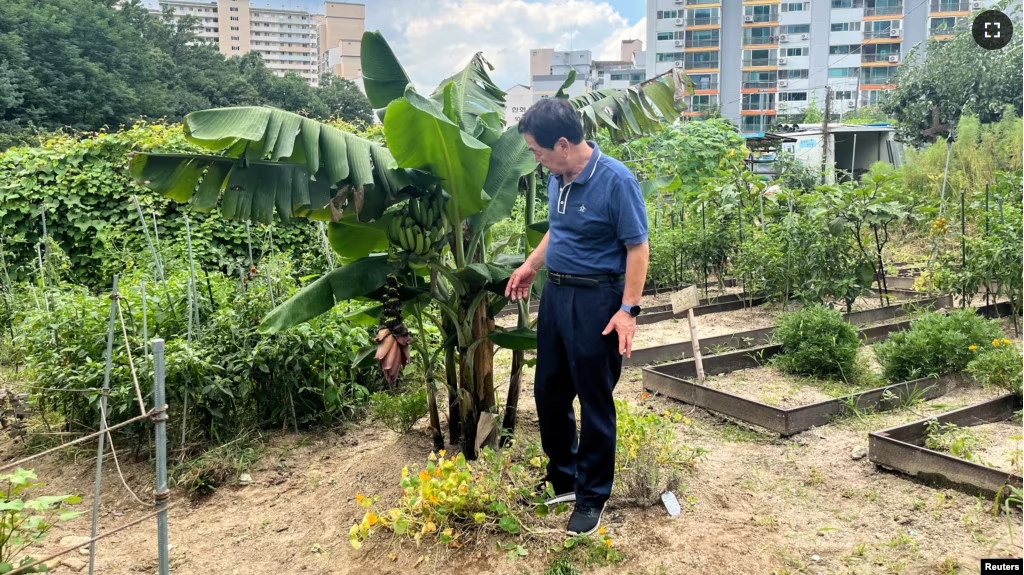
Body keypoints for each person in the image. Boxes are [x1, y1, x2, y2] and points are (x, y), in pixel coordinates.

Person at [505, 98, 650, 536]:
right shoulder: (559, 178)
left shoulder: (616, 181)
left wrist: (628, 311)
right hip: (556, 296)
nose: (536, 159)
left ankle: (592, 496)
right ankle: (564, 477)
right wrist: (532, 264)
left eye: (538, 151)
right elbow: (559, 228)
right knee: (549, 391)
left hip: (597, 301)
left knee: (594, 399)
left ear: (563, 144)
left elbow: (637, 247)